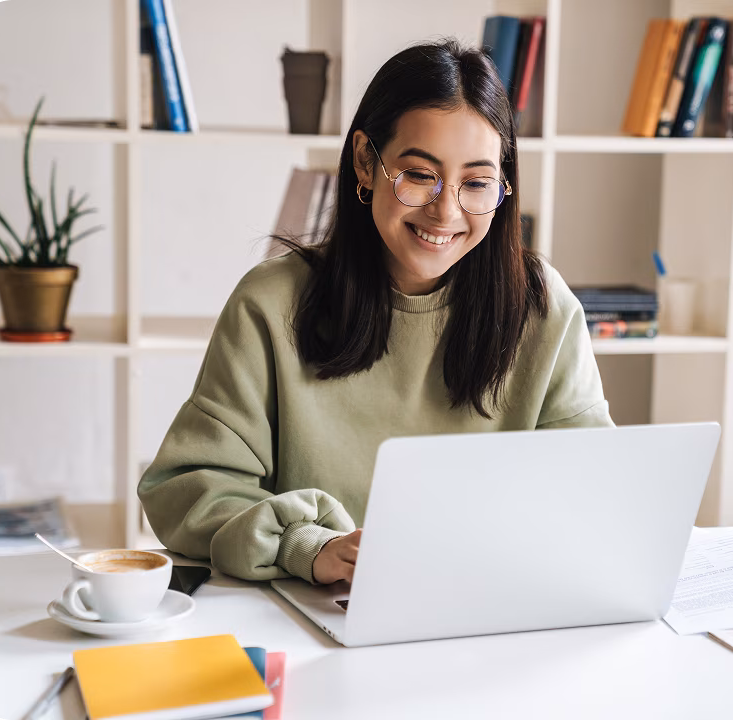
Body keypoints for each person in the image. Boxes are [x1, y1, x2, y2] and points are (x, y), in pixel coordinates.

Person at [138, 39, 613, 586]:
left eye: (476, 183)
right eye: (418, 174)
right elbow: (187, 486)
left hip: (490, 605)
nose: (446, 210)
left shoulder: (543, 307)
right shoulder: (270, 305)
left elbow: (591, 488)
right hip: (317, 611)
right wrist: (304, 544)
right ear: (366, 161)